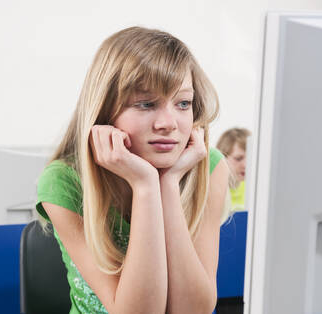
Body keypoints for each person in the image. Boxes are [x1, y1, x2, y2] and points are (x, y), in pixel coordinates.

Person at [35, 27, 229, 314]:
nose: (168, 123)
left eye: (183, 103)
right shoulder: (64, 182)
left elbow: (194, 311)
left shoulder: (208, 167)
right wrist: (146, 185)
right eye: (146, 104)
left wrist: (169, 183)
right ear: (104, 111)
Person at [216, 127, 251, 212]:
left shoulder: (253, 190)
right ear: (223, 158)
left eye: (250, 157)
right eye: (238, 159)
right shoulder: (212, 190)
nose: (245, 165)